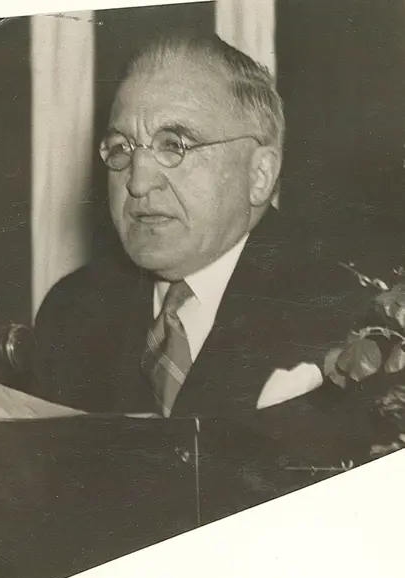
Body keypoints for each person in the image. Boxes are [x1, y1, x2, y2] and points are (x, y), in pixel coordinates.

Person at [32, 33, 380, 420]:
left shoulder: (343, 312)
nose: (138, 182)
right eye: (120, 148)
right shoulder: (72, 312)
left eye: (174, 145)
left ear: (260, 174)